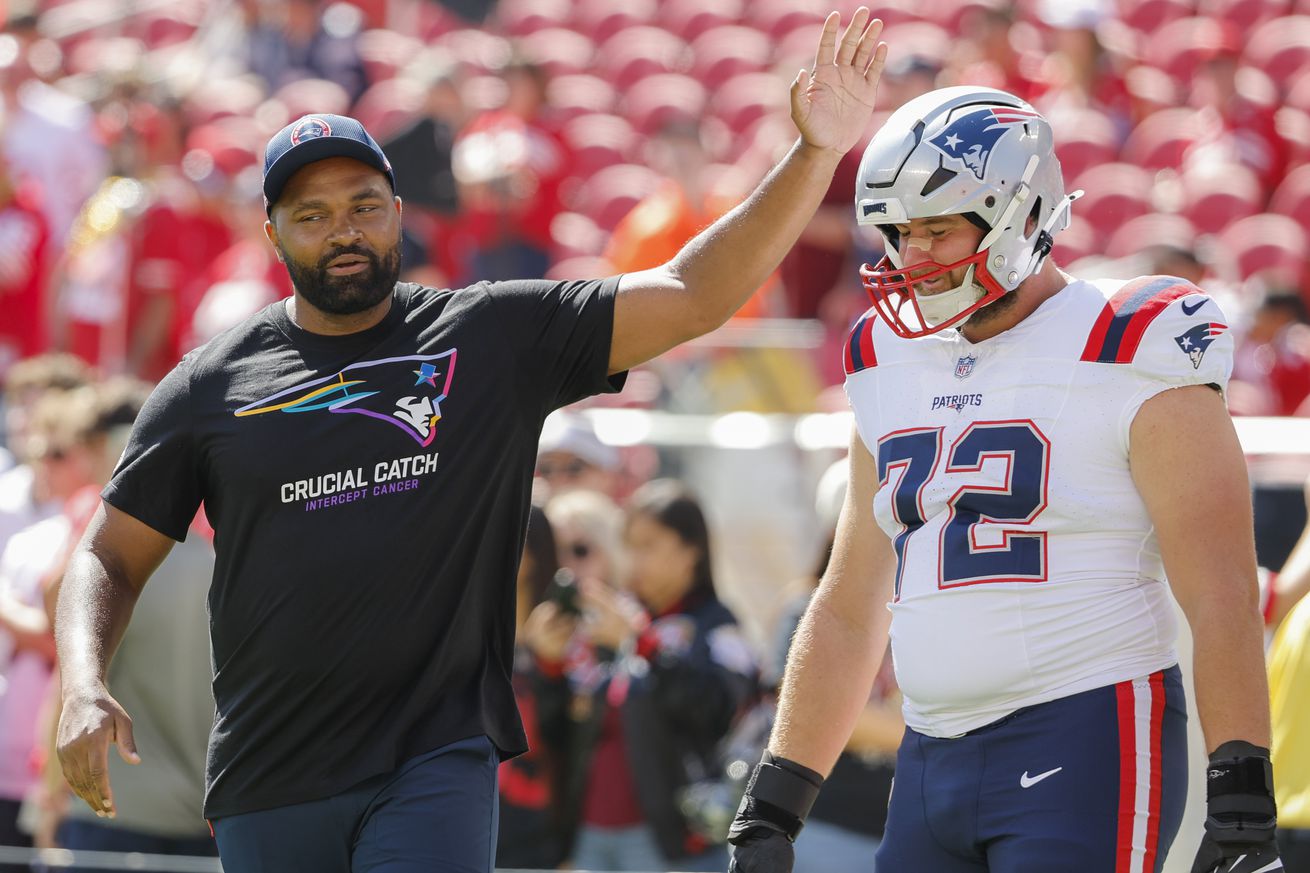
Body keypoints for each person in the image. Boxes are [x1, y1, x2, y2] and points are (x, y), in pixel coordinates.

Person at [53, 11, 889, 872]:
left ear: (398, 211)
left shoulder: (489, 336)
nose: (344, 231)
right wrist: (83, 680)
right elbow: (109, 557)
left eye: (363, 206)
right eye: (312, 215)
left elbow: (690, 292)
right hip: (271, 773)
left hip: (433, 759)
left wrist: (812, 154)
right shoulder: (208, 383)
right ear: (272, 233)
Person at [728, 86, 1283, 873]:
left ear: (1021, 215)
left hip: (1084, 736)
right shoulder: (886, 357)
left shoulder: (1128, 339)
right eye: (896, 233)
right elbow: (852, 601)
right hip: (929, 754)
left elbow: (1219, 584)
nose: (908, 257)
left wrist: (1240, 788)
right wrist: (774, 801)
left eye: (934, 228)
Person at [531, 479, 757, 872]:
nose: (634, 561)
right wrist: (550, 666)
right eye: (629, 546)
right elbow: (562, 729)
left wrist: (642, 644)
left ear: (692, 551)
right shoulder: (618, 623)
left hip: (669, 842)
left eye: (648, 546)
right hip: (589, 837)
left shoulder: (716, 626)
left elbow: (716, 709)